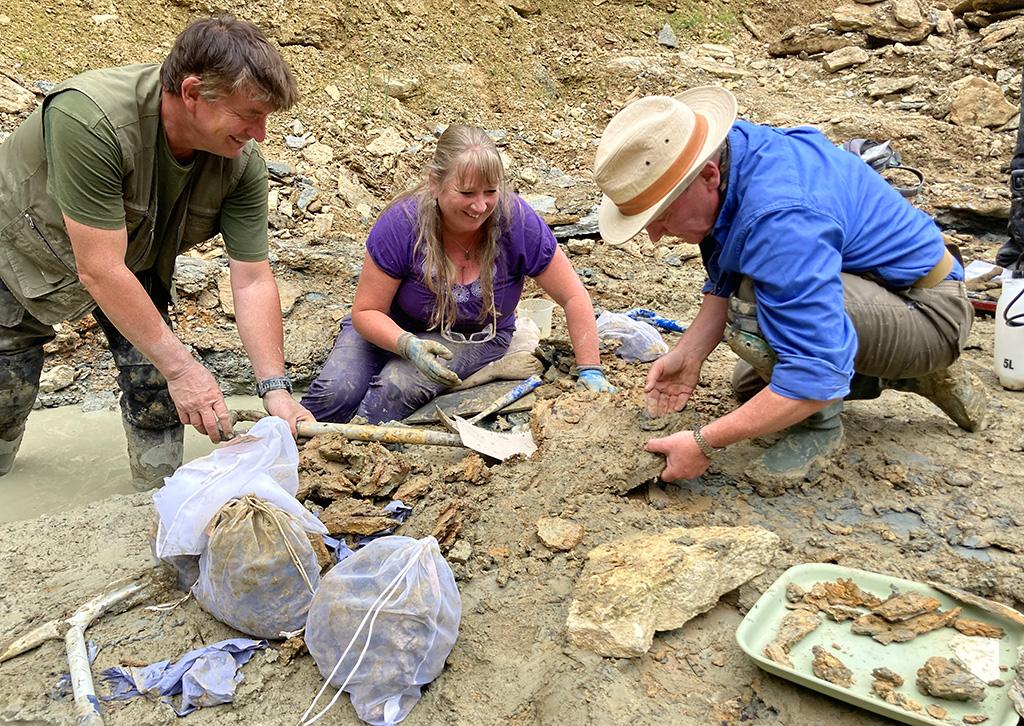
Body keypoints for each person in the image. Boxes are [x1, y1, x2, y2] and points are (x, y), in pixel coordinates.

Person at [592, 87, 988, 483]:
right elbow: (724, 279)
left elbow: (810, 375)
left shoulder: (779, 219)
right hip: (881, 293)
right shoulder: (732, 158)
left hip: (929, 311)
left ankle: (822, 429)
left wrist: (704, 442)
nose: (655, 236)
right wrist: (689, 355)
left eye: (661, 215)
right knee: (749, 387)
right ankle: (913, 373)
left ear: (708, 175)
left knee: (755, 313)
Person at [0, 16, 312, 489]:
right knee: (7, 389)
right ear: (192, 93)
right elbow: (100, 269)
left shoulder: (240, 163)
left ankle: (155, 498)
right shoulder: (89, 119)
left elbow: (251, 278)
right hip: (20, 249)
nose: (262, 133)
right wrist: (185, 368)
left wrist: (274, 387)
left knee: (158, 384)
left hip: (133, 256)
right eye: (250, 115)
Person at [301, 124, 613, 424]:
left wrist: (590, 369)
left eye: (490, 191)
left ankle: (356, 450)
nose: (480, 206)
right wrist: (407, 345)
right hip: (386, 328)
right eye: (466, 193)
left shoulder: (516, 221)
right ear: (435, 182)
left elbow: (573, 295)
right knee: (334, 393)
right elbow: (367, 310)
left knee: (395, 388)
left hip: (473, 336)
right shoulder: (402, 224)